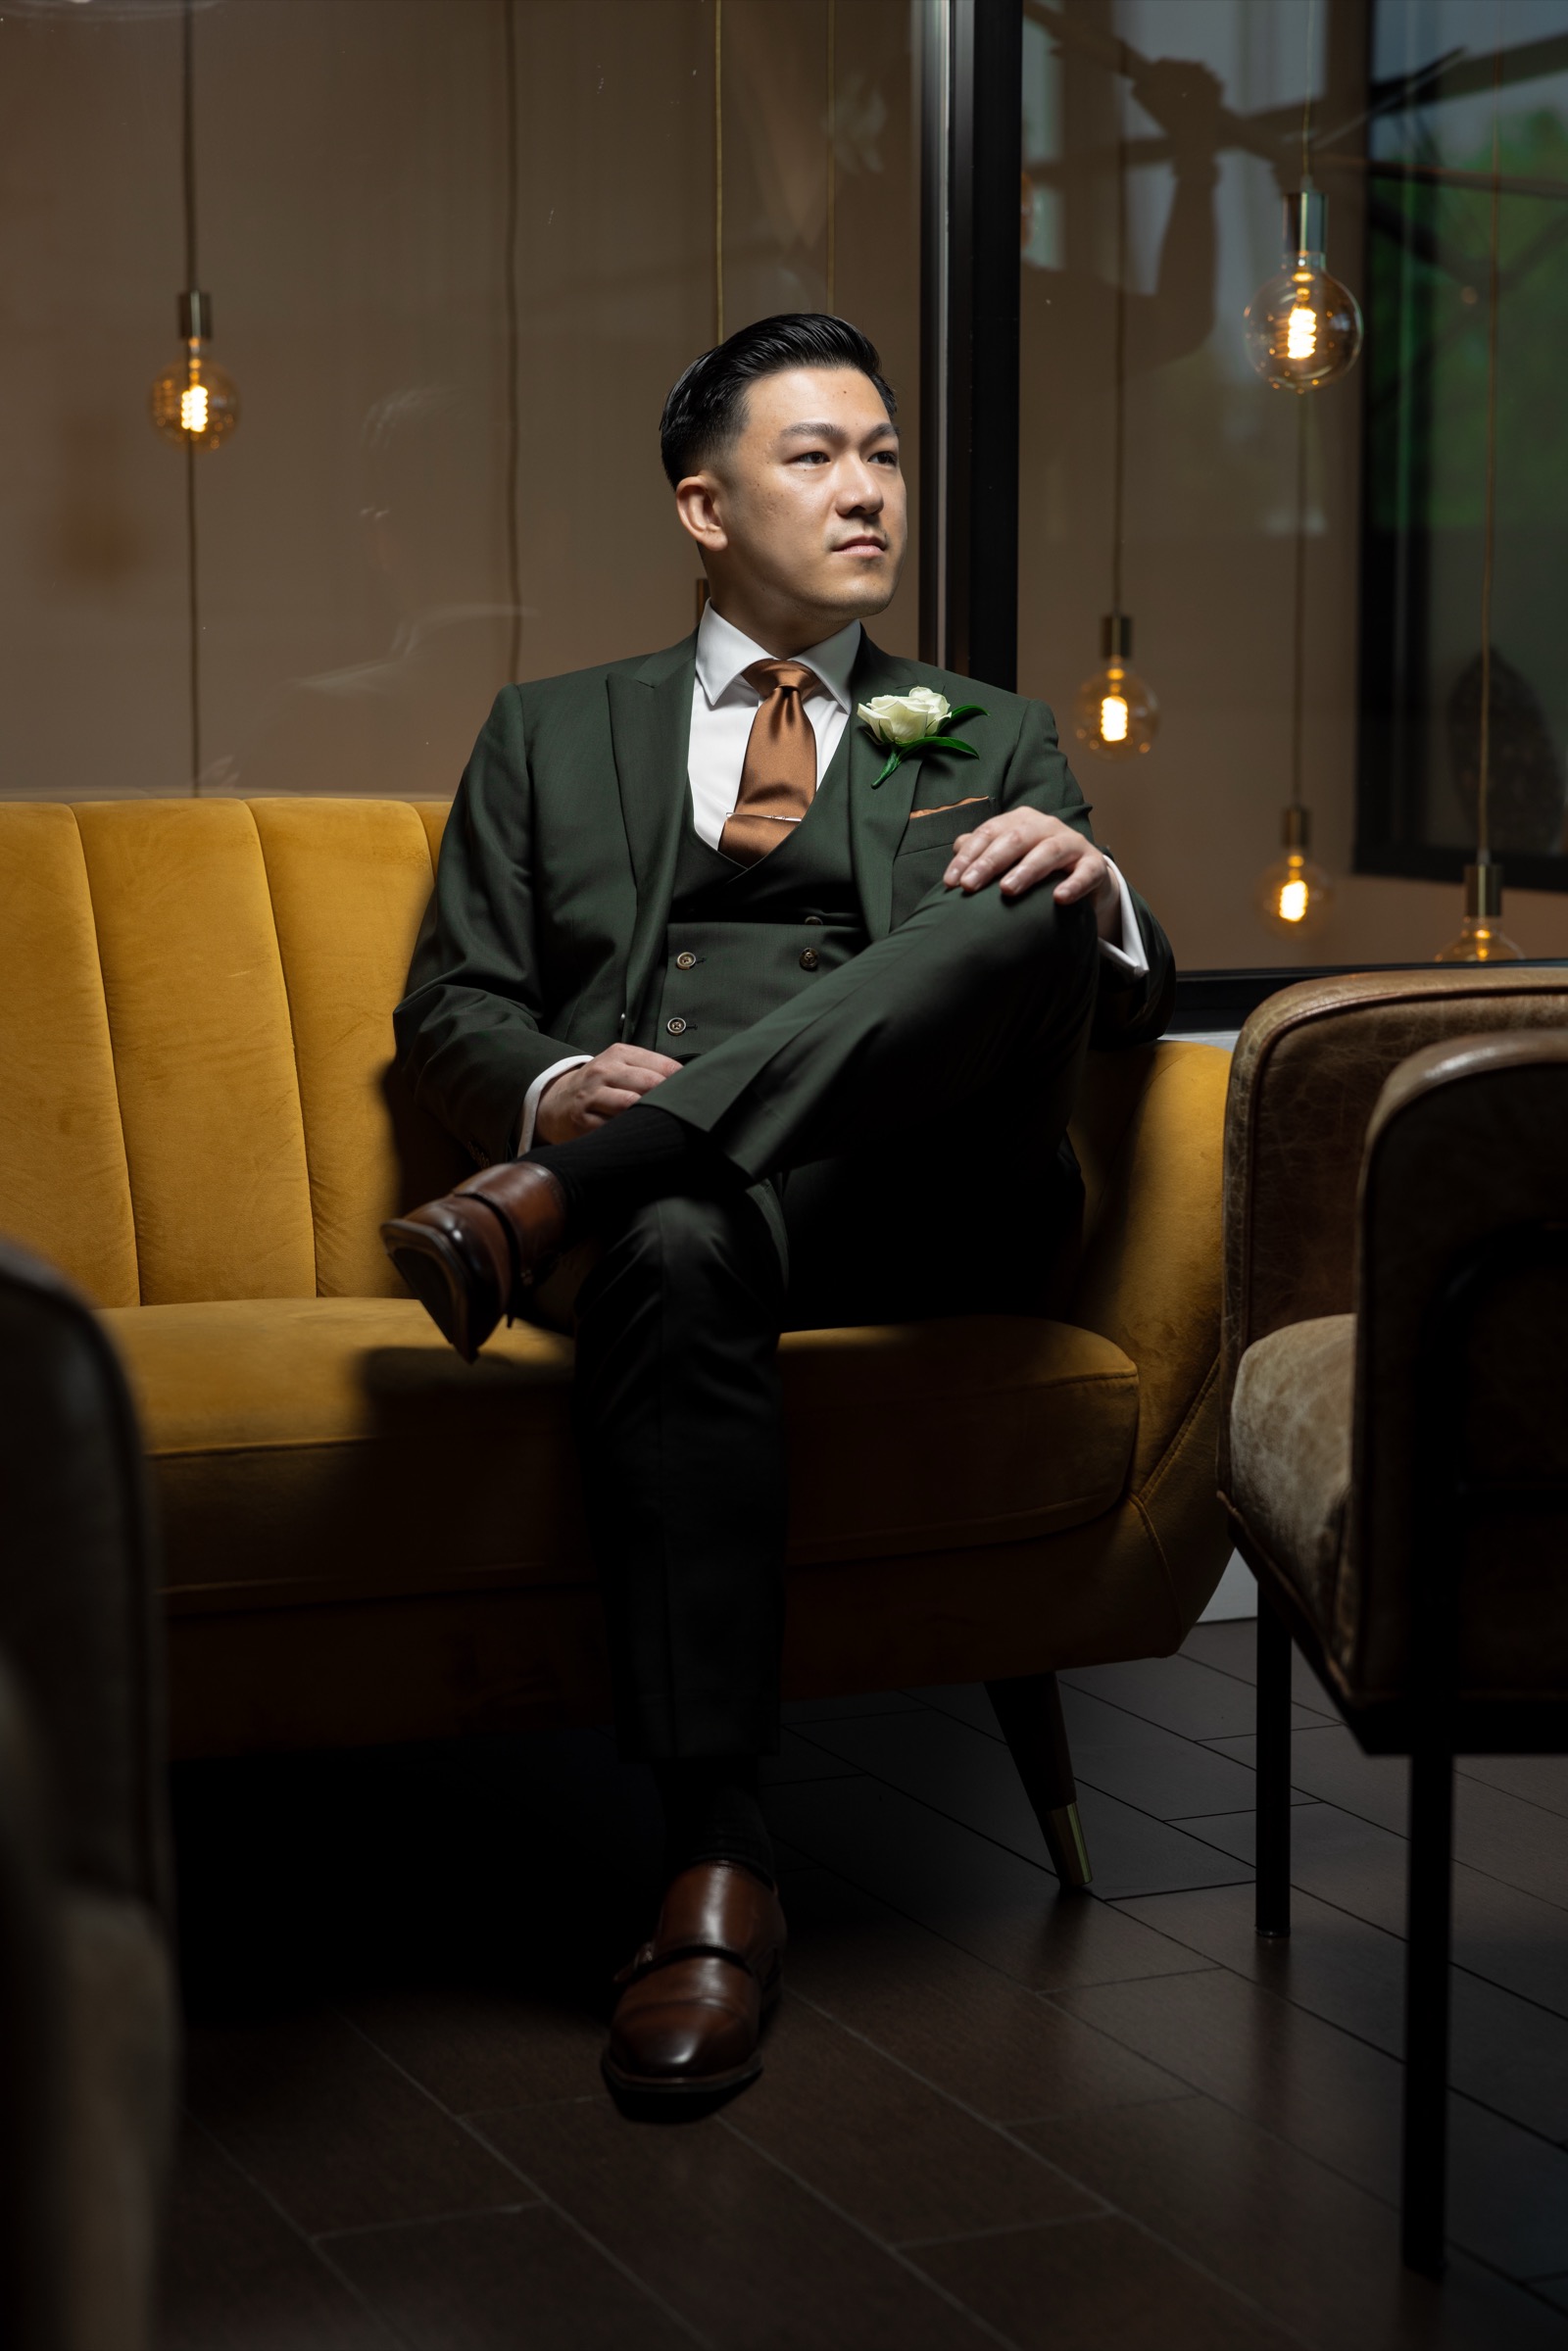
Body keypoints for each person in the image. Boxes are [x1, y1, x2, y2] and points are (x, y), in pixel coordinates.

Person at [383, 314, 1173, 2104]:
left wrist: (1100, 886)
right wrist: (550, 1085)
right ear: (703, 505)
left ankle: (545, 1207)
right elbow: (452, 1002)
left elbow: (1094, 1000)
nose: (869, 487)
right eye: (815, 455)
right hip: (701, 1222)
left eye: (884, 453)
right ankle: (715, 1867)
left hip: (927, 1202)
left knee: (1023, 898)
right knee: (667, 1238)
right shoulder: (545, 730)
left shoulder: (990, 730)